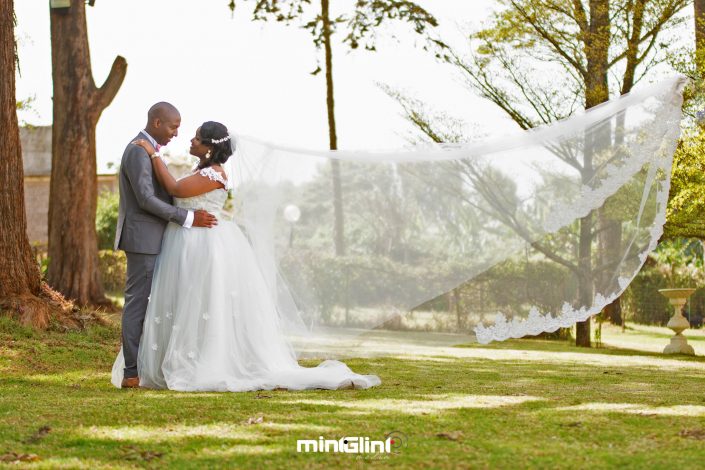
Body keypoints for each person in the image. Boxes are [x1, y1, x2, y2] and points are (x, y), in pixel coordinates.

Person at [111, 120, 380, 391]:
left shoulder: (214, 174)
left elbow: (175, 190)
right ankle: (174, 361)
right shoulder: (202, 171)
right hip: (188, 243)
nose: (190, 141)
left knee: (203, 303)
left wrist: (154, 153)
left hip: (204, 245)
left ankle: (203, 361)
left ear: (208, 148)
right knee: (188, 305)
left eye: (196, 138)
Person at [114, 102, 217, 389]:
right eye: (173, 126)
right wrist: (187, 217)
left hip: (159, 238)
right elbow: (146, 199)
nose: (176, 133)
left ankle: (153, 366)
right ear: (157, 122)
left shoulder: (151, 151)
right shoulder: (137, 150)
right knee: (137, 304)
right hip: (143, 240)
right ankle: (131, 372)